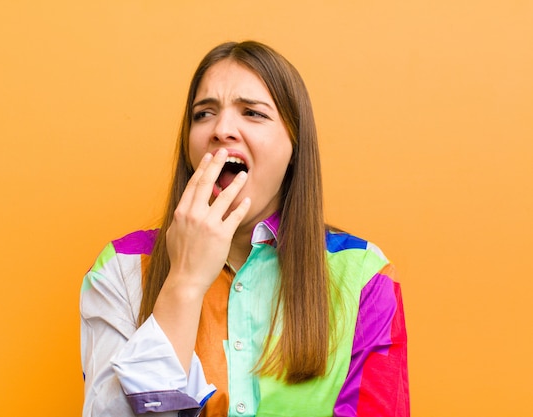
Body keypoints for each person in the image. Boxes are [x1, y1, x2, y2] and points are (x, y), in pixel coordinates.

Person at [80, 40, 409, 417]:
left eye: (252, 113)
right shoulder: (119, 270)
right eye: (204, 114)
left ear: (294, 143)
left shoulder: (364, 275)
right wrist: (184, 283)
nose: (221, 129)